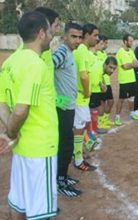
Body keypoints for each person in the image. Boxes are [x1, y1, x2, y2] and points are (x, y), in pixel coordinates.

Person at [0, 11, 59, 219]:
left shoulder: (10, 62)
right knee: (41, 210)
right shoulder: (36, 64)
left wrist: (10, 134)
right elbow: (21, 109)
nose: (52, 36)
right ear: (41, 33)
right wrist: (12, 132)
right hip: (40, 147)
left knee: (19, 201)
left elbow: (2, 103)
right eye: (50, 31)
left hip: (22, 148)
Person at [53, 22, 83, 197]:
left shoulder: (70, 52)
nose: (77, 40)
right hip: (62, 106)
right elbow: (46, 69)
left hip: (69, 105)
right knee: (64, 145)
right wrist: (57, 98)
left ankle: (62, 176)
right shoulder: (62, 52)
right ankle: (59, 181)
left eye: (79, 37)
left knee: (67, 144)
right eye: (73, 36)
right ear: (65, 36)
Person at [72, 23, 100, 171]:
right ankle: (77, 159)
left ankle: (78, 152)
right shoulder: (82, 51)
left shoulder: (82, 51)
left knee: (80, 126)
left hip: (80, 97)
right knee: (79, 127)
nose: (97, 38)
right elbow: (83, 75)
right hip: (79, 97)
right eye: (95, 35)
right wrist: (87, 91)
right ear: (87, 35)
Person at [115, 34, 138, 124]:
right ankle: (117, 117)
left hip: (132, 79)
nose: (132, 43)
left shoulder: (131, 51)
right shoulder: (120, 52)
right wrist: (132, 64)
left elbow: (137, 64)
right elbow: (125, 66)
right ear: (125, 41)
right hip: (124, 80)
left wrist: (131, 64)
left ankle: (132, 113)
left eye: (132, 41)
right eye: (130, 41)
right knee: (121, 99)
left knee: (132, 98)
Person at [90, 37, 111, 131]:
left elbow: (100, 72)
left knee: (95, 109)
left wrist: (102, 83)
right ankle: (92, 128)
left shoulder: (99, 55)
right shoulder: (90, 55)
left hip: (99, 86)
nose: (103, 45)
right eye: (101, 43)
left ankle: (95, 127)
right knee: (92, 110)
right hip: (91, 89)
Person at [96, 35, 114, 126]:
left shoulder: (104, 54)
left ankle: (105, 120)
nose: (106, 45)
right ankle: (100, 122)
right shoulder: (96, 53)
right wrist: (101, 83)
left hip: (107, 82)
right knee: (102, 104)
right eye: (105, 42)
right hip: (101, 83)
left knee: (111, 102)